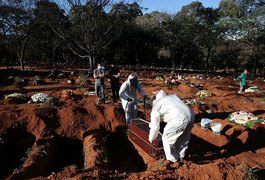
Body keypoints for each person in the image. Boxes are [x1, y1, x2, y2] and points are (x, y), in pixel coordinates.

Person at [148, 90, 195, 163]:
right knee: (183, 138)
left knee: (167, 138)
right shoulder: (173, 97)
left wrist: (151, 138)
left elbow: (154, 126)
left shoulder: (156, 106)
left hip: (179, 118)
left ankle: (172, 161)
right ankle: (181, 157)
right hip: (191, 115)